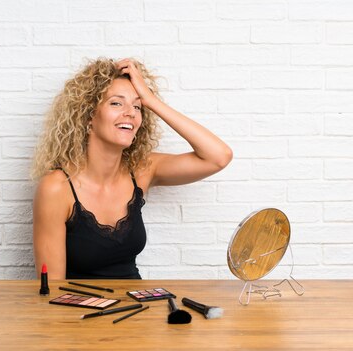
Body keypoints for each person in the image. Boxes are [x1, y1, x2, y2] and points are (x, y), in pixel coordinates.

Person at [31, 58, 232, 280]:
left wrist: (151, 100)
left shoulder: (142, 170)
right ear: (88, 116)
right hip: (80, 311)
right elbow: (52, 290)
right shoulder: (56, 188)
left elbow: (218, 157)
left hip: (138, 309)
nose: (130, 113)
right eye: (116, 103)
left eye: (137, 106)